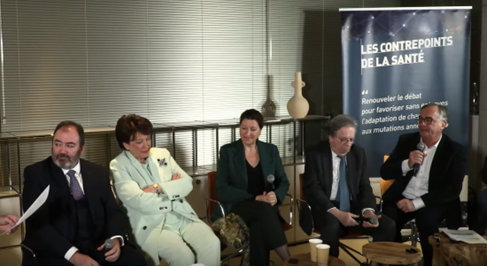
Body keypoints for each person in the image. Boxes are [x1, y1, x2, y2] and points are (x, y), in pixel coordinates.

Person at [21, 121, 146, 266]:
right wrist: (73, 255)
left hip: (97, 247)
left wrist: (115, 238)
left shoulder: (98, 172)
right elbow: (38, 225)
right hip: (58, 251)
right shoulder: (36, 174)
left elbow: (112, 211)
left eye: (70, 145)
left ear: (81, 148)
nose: (62, 150)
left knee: (134, 259)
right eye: (57, 144)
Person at [110, 114, 220, 266]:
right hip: (152, 223)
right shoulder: (118, 165)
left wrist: (158, 187)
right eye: (139, 141)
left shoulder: (162, 154)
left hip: (180, 215)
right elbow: (139, 201)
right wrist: (172, 189)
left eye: (148, 139)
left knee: (212, 243)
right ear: (126, 144)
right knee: (183, 256)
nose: (146, 145)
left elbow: (187, 184)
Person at [381, 103, 467, 266]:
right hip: (403, 196)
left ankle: (431, 262)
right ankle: (394, 261)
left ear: (443, 124)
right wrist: (407, 163)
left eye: (428, 120)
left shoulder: (455, 150)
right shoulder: (406, 141)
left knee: (426, 221)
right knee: (388, 221)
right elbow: (385, 172)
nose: (422, 124)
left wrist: (415, 204)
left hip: (434, 200)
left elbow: (452, 190)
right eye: (420, 119)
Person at [303, 114, 395, 257]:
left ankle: (378, 262)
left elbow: (364, 186)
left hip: (353, 206)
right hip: (327, 207)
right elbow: (312, 189)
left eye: (351, 140)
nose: (348, 144)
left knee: (387, 225)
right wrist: (338, 213)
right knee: (331, 226)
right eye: (343, 140)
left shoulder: (358, 153)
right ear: (330, 137)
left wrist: (368, 211)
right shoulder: (316, 154)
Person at [215, 109, 291, 265]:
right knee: (262, 209)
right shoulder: (228, 151)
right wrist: (255, 198)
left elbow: (283, 181)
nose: (247, 133)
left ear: (260, 131)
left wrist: (275, 195)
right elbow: (222, 189)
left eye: (252, 129)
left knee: (258, 226)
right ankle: (289, 260)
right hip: (236, 208)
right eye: (243, 128)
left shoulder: (270, 150)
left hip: (264, 212)